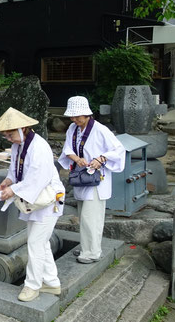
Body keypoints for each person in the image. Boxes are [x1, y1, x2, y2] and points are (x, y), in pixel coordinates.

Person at [0, 107, 65, 302]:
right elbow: (15, 169)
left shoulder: (39, 146)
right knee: (40, 243)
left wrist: (13, 190)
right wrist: (8, 181)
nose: (8, 138)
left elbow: (37, 178)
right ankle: (51, 282)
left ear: (23, 128)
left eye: (10, 134)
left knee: (35, 243)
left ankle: (32, 286)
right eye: (5, 135)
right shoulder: (19, 145)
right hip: (36, 200)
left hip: (48, 200)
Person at [57, 96, 125, 264]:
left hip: (96, 179)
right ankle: (87, 248)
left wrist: (101, 158)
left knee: (91, 217)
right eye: (72, 117)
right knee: (83, 216)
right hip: (82, 176)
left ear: (87, 114)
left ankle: (92, 253)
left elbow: (118, 149)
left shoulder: (100, 129)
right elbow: (67, 150)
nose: (74, 119)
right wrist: (77, 158)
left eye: (77, 116)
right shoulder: (73, 128)